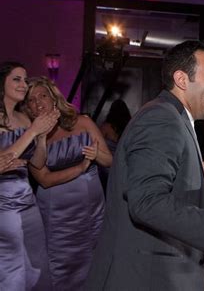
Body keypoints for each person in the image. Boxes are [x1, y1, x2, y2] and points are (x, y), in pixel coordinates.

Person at [85, 40, 204, 290]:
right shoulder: (161, 119)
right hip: (146, 276)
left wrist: (196, 181)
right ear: (181, 79)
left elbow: (155, 184)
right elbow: (146, 202)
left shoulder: (174, 116)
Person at [25, 76, 112, 290]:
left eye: (43, 96)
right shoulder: (28, 137)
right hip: (58, 216)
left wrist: (96, 153)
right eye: (31, 100)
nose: (38, 103)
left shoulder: (82, 122)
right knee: (62, 268)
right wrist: (80, 168)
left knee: (95, 262)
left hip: (93, 211)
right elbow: (44, 180)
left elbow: (109, 161)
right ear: (27, 108)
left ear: (54, 98)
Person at [0, 62, 59, 290]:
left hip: (28, 203)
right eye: (16, 79)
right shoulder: (26, 125)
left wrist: (42, 137)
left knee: (36, 265)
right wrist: (33, 132)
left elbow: (37, 163)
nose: (23, 85)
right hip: (3, 208)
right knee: (10, 268)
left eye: (25, 80)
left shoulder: (24, 119)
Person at [99, 98, 131, 186]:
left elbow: (97, 144)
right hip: (123, 163)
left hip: (107, 166)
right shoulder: (129, 126)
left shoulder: (105, 127)